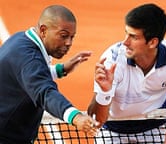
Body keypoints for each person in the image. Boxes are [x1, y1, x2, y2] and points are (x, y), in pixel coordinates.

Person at [88, 3, 166, 144]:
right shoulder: (112, 61)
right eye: (126, 33)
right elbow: (96, 120)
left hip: (155, 126)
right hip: (113, 129)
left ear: (153, 42)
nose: (125, 42)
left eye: (134, 37)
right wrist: (104, 92)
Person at [0, 5, 99, 144]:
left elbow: (27, 77)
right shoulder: (30, 58)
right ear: (43, 30)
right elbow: (45, 92)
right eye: (63, 36)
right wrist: (76, 117)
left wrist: (61, 69)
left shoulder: (21, 39)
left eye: (72, 37)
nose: (69, 43)